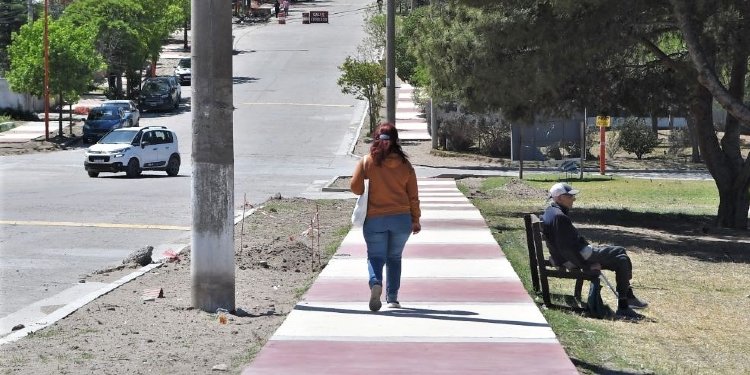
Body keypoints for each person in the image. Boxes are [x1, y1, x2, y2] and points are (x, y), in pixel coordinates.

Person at [541, 182, 648, 319]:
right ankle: (625, 303)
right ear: (560, 198)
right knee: (620, 255)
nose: (574, 199)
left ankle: (626, 300)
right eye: (570, 196)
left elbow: (563, 245)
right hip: (576, 258)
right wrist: (586, 267)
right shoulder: (559, 217)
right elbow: (565, 248)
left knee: (621, 256)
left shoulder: (551, 212)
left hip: (573, 255)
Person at [350, 123, 421, 312]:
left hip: (374, 219)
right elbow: (413, 196)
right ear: (396, 140)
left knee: (375, 256)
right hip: (401, 219)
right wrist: (416, 219)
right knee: (394, 258)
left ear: (376, 138)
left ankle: (375, 283)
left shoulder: (366, 162)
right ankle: (393, 298)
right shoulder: (405, 166)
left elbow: (356, 188)